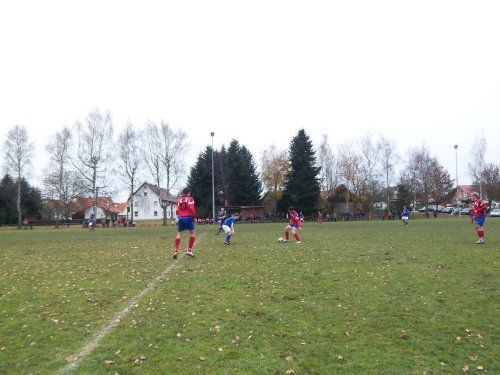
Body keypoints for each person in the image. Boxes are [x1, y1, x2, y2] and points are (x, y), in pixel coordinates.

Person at [173, 187, 196, 258]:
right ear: (189, 192)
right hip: (188, 217)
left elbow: (177, 210)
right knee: (192, 233)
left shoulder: (179, 200)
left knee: (179, 233)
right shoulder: (190, 199)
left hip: (181, 218)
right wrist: (194, 217)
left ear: (183, 192)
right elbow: (191, 208)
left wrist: (180, 214)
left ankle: (175, 251)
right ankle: (189, 250)